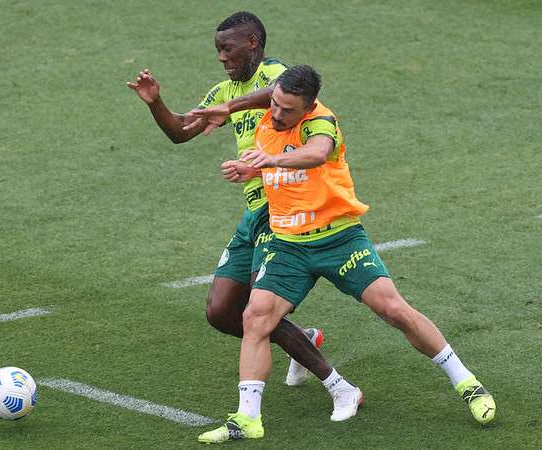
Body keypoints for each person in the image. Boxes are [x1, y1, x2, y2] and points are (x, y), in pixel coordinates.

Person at [196, 65, 496, 443]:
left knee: (393, 310)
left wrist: (269, 162)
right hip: (287, 242)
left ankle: (467, 384)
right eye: (274, 103)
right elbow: (279, 171)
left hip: (339, 238)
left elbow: (315, 156)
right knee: (256, 318)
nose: (276, 113)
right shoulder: (268, 122)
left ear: (309, 107)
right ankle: (248, 419)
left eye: (288, 109)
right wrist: (249, 170)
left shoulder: (322, 124)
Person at [126, 13, 357, 405]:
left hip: (283, 206)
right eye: (217, 49)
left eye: (227, 48)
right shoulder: (223, 91)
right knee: (221, 311)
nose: (221, 57)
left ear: (252, 42)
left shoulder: (277, 76)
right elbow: (181, 131)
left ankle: (339, 386)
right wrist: (156, 103)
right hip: (253, 213)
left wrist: (231, 107)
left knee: (258, 308)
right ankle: (304, 339)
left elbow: (276, 95)